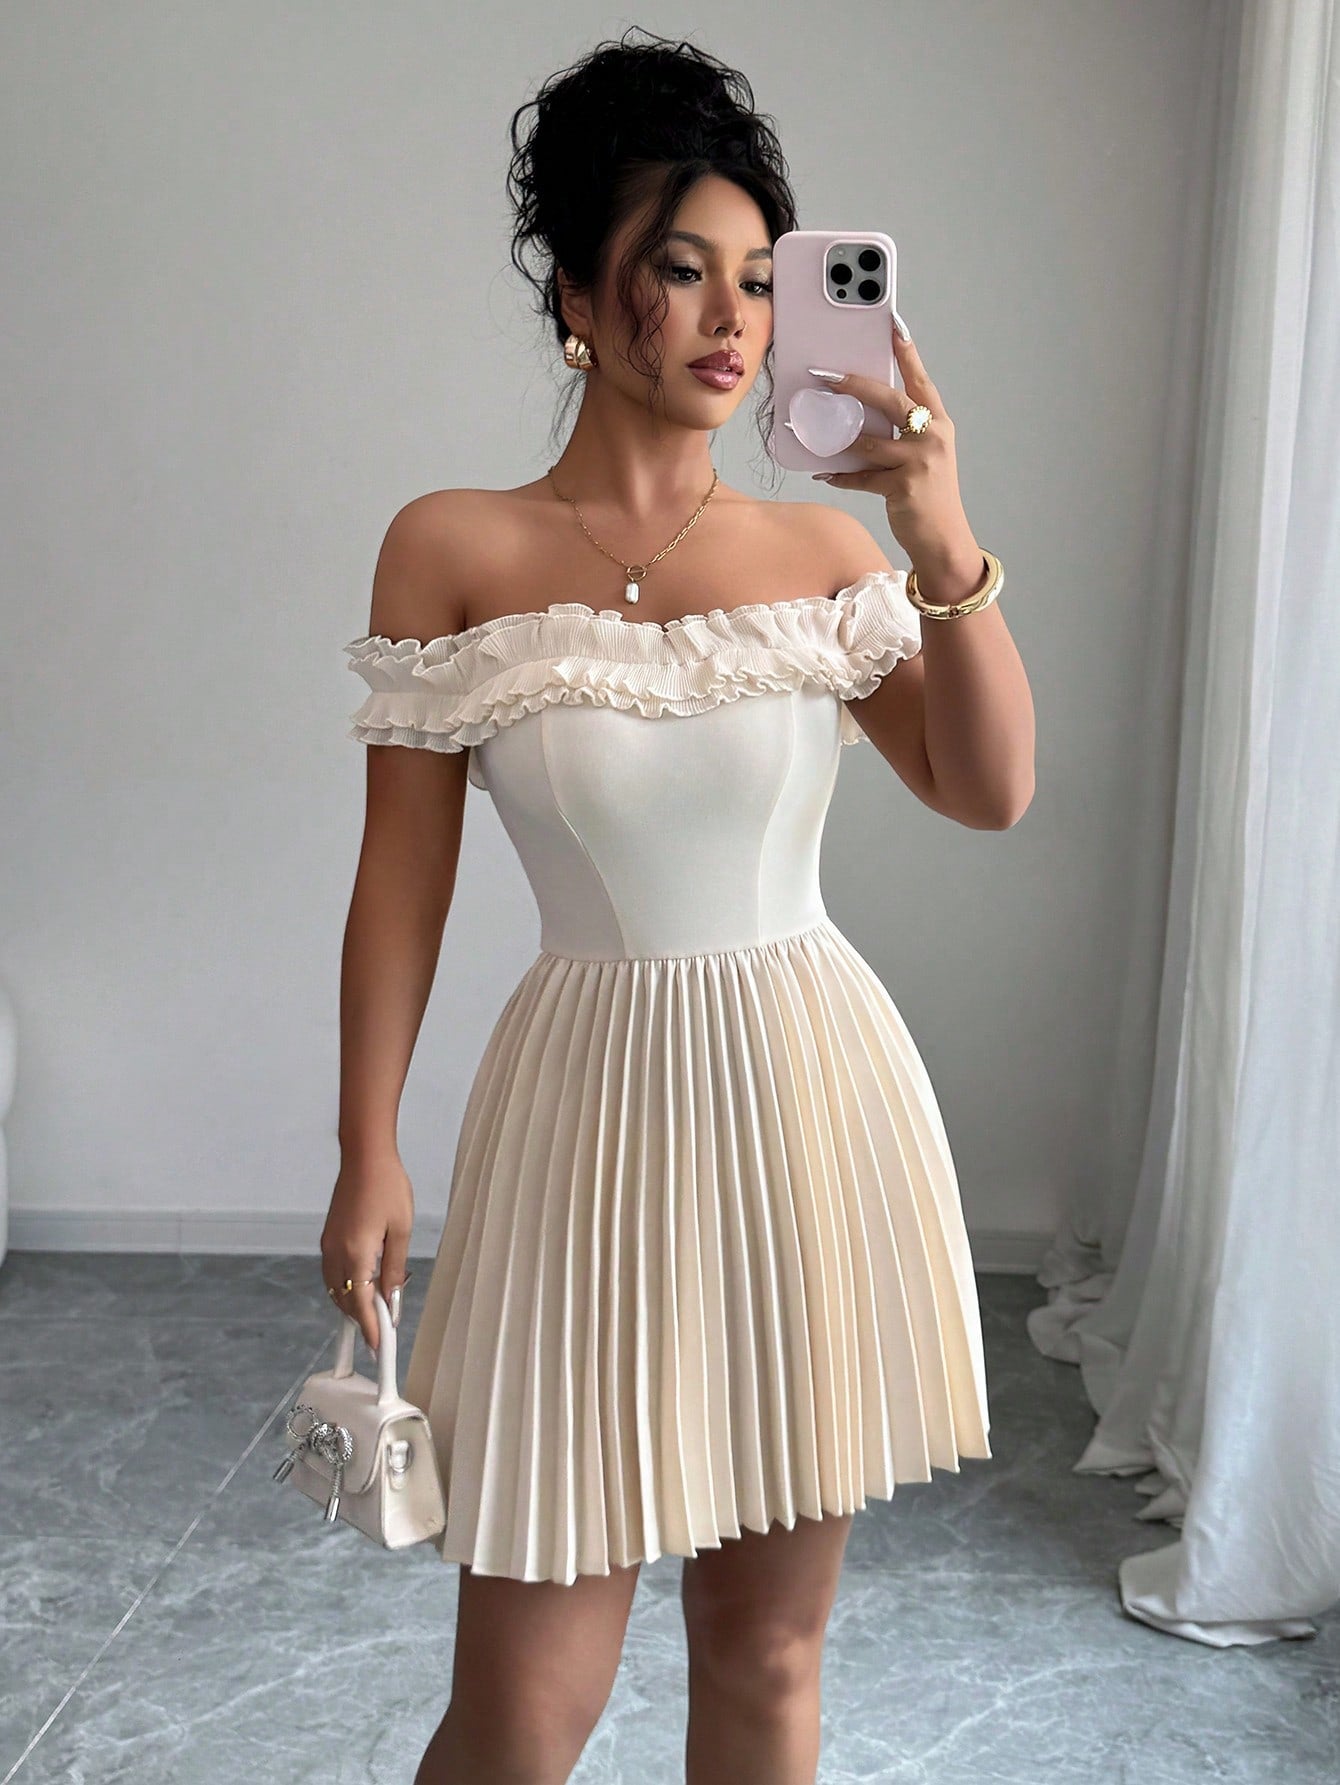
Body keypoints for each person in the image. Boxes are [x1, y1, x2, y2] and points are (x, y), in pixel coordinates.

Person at [325, 26, 1033, 1785]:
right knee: (522, 1711)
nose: (735, 318)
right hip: (581, 1123)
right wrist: (368, 1145)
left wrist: (941, 534)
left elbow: (989, 788)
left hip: (805, 1101)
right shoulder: (451, 548)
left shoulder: (825, 557)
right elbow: (401, 875)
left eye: (758, 279)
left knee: (768, 1658)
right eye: (680, 270)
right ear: (579, 297)